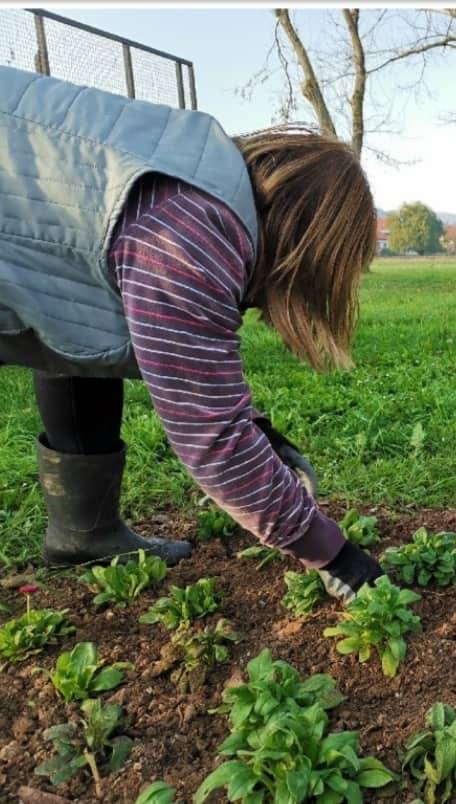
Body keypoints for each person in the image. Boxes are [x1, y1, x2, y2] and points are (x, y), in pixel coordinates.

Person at [0, 65, 383, 603]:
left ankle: (83, 534)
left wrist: (260, 434)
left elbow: (78, 317)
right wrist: (336, 555)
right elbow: (213, 438)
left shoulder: (195, 170)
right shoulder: (195, 235)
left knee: (78, 321)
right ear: (306, 247)